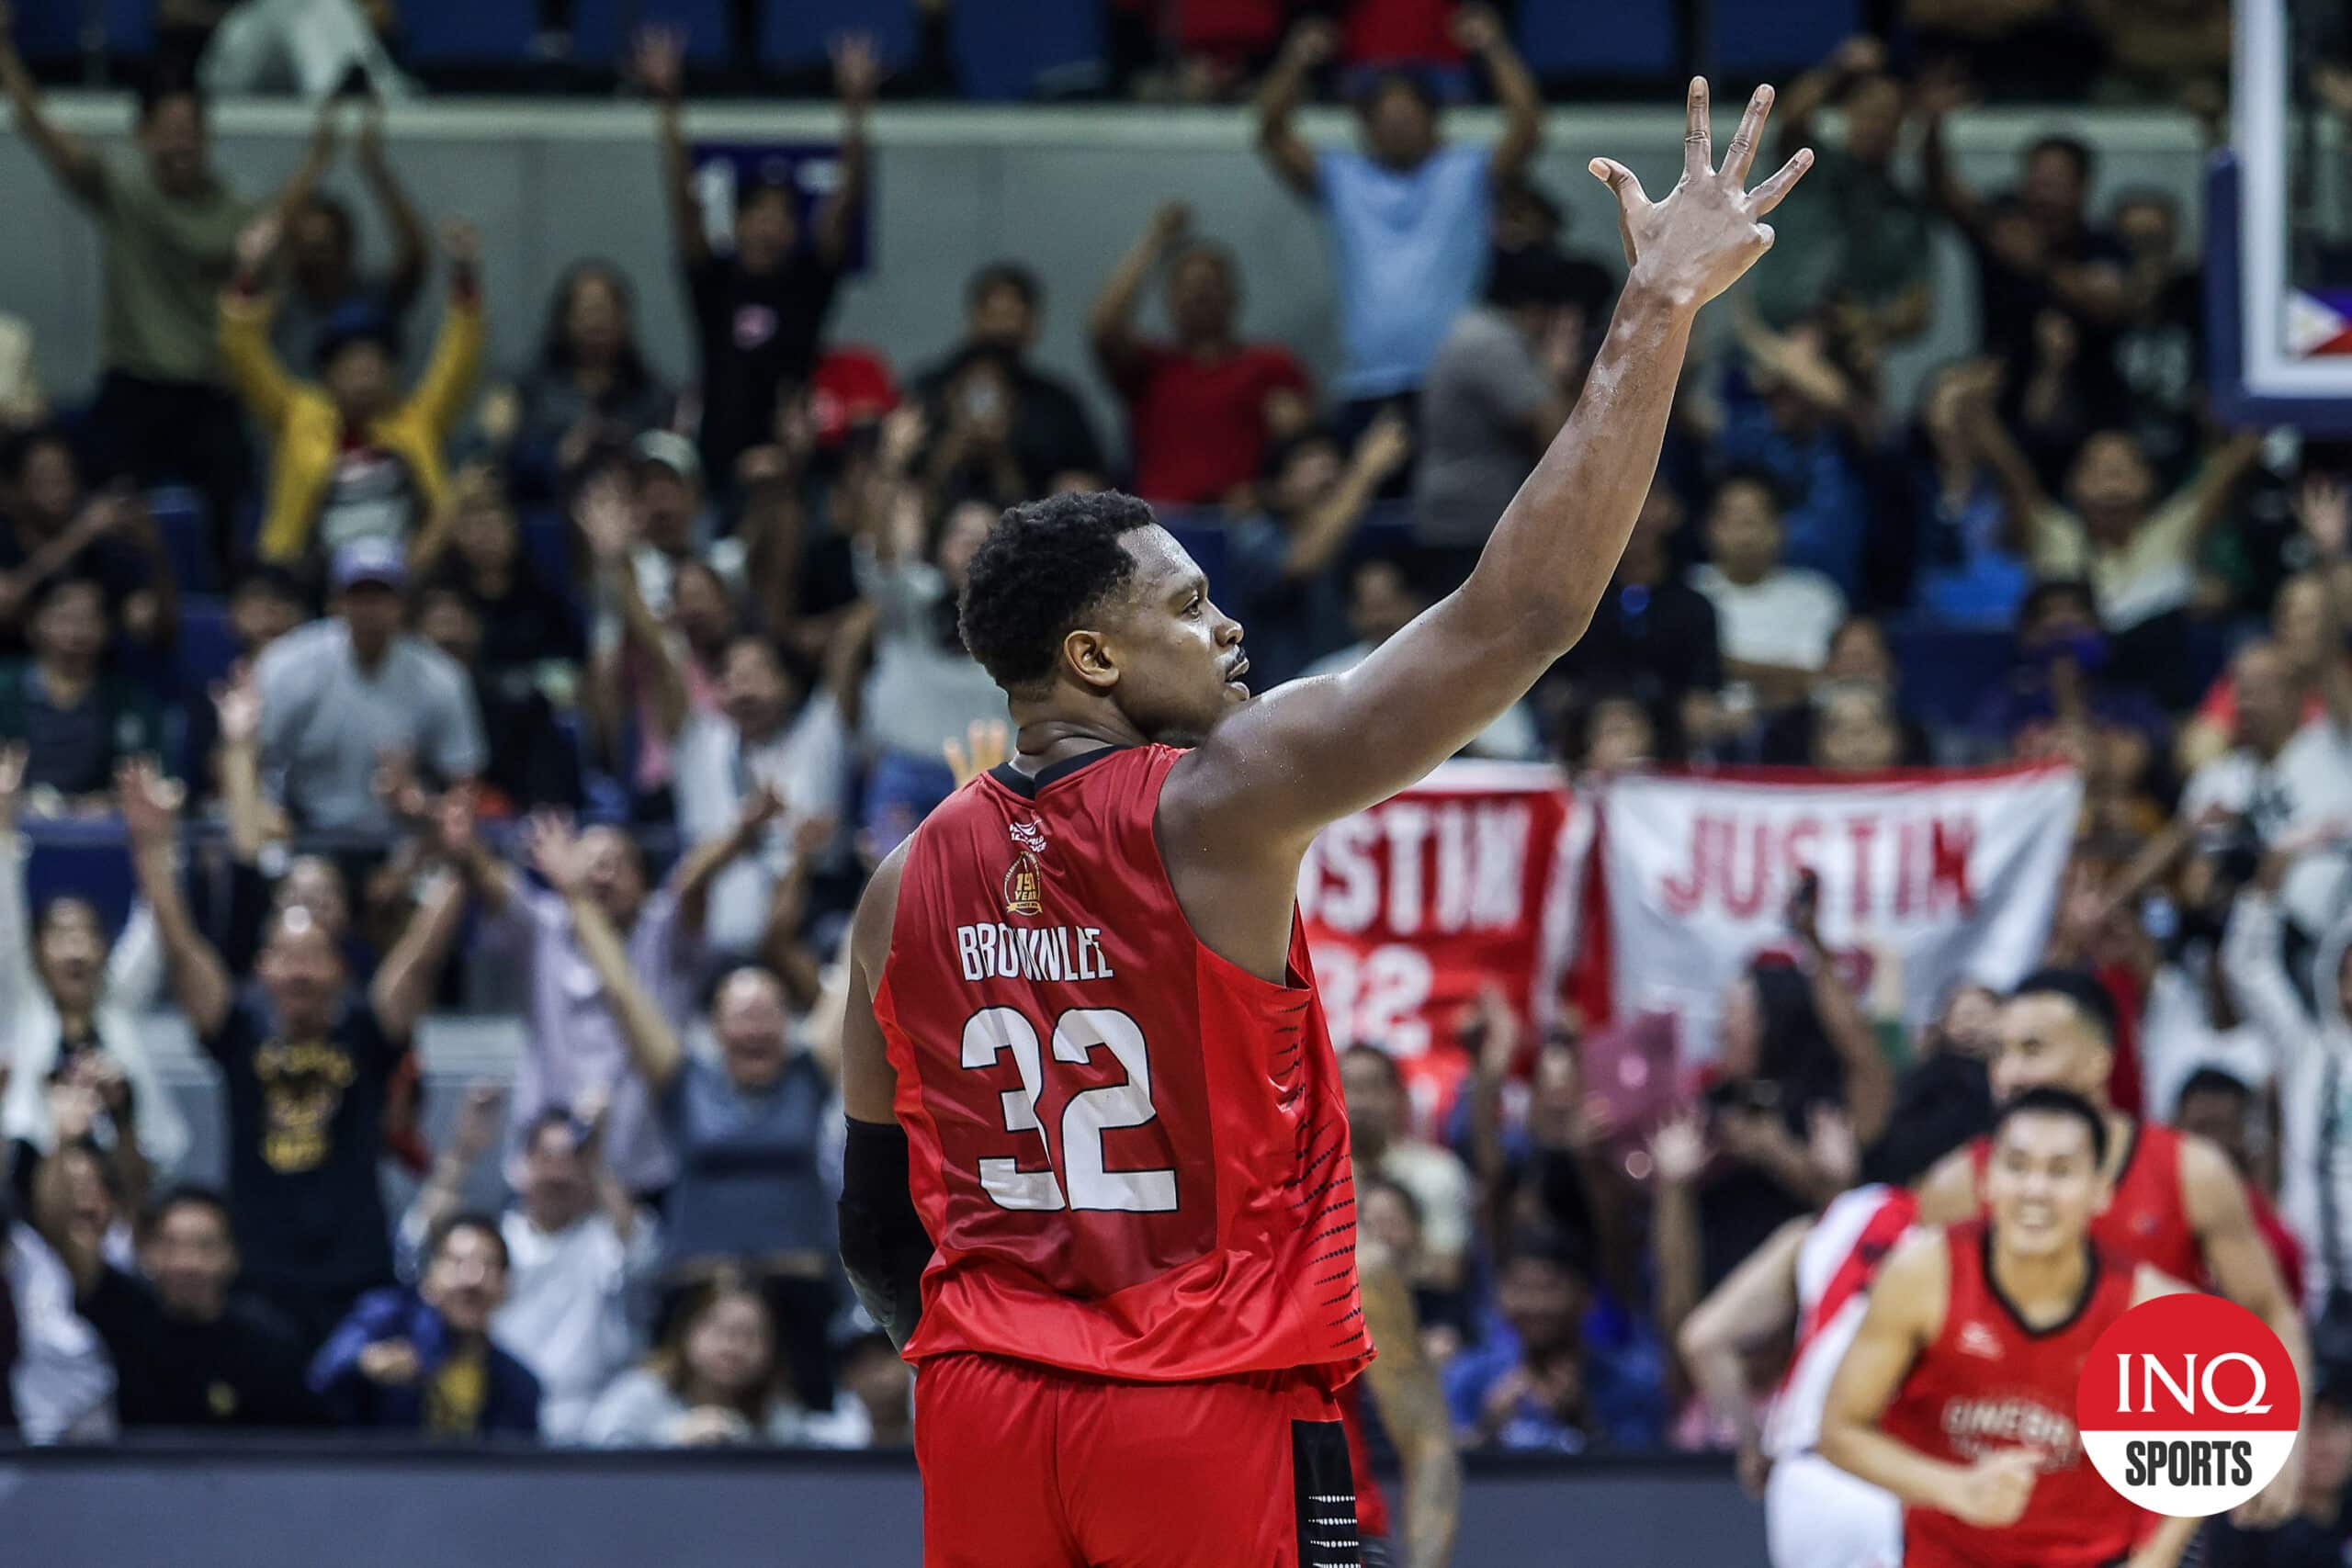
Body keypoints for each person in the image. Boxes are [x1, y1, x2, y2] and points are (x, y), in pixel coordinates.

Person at [834, 79, 1807, 1564]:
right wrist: (1655, 310)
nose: (1229, 629)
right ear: (1092, 658)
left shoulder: (901, 882)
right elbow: (1525, 612)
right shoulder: (1219, 798)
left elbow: (872, 1213)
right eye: (1187, 605)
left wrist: (994, 1355)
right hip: (1199, 1402)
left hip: (984, 1408)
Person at [1910, 970, 2312, 1522]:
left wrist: (2283, 1444)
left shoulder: (2190, 1171)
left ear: (2100, 1060)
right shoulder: (1956, 1186)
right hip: (2006, 1495)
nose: (2008, 1073)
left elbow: (2269, 1312)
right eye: (1998, 1053)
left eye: (2032, 1049)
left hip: (2152, 1495)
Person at [124, 759, 469, 1348]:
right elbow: (181, 949)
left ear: (340, 969)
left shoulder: (367, 1027)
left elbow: (425, 952)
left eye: (315, 957)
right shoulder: (238, 1027)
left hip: (356, 1274)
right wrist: (152, 849)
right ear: (264, 969)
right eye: (287, 956)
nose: (301, 971)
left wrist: (458, 856)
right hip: (259, 1275)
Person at [1818, 1088, 2201, 1568]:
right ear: (1986, 1181)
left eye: (2060, 1171)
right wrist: (1956, 1489)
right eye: (2017, 1166)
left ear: (2101, 1191)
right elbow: (1838, 1431)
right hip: (1950, 1555)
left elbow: (2212, 1444)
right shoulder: (1923, 1275)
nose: (2035, 1190)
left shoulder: (2152, 1307)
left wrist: (2156, 1558)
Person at [0, 11, 321, 548]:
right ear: (144, 135)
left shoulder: (237, 212)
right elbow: (44, 132)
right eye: (168, 133)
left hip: (207, 391)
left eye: (191, 134)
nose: (180, 147)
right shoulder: (122, 190)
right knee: (99, 503)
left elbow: (271, 283)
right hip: (135, 385)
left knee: (236, 505)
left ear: (208, 136)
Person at [552, 822, 842, 1410]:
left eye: (769, 1012)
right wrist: (575, 898)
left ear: (788, 1023)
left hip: (800, 1293)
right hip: (693, 1294)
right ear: (714, 1027)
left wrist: (919, 856)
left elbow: (865, 965)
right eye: (741, 1014)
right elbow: (623, 990)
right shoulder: (682, 1080)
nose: (756, 1025)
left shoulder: (812, 1071)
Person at [1253, 8, 1543, 437]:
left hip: (1453, 383)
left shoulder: (1465, 171)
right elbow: (1271, 131)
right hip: (1367, 385)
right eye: (1385, 120)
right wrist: (1297, 58)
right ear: (1365, 125)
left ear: (1432, 118)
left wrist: (1494, 48)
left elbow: (1527, 126)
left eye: (1408, 117)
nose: (1397, 128)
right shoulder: (1342, 177)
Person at [641, 27, 873, 492]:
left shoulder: (807, 282)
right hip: (715, 471)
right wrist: (668, 104)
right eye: (759, 215)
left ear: (794, 230)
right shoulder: (714, 281)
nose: (769, 227)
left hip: (794, 468)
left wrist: (856, 110)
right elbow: (683, 204)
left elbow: (846, 203)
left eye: (781, 217)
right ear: (738, 223)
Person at [223, 213, 486, 568]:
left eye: (374, 367)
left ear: (392, 373)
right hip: (310, 576)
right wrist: (249, 275)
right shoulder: (297, 414)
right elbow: (243, 355)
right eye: (352, 367)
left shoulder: (416, 419)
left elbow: (459, 362)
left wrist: (466, 278)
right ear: (328, 376)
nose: (364, 377)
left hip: (404, 576)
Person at [398, 1089, 657, 1442]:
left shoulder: (605, 1242)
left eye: (571, 1159)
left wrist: (598, 1157)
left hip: (587, 1424)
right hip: (498, 1412)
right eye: (546, 1157)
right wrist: (465, 1148)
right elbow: (419, 1245)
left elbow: (644, 1258)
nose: (557, 1174)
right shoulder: (495, 1242)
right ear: (521, 1166)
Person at [1680, 1183, 1918, 1568]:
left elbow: (1704, 1340)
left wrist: (1753, 1449)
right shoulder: (1973, 1238)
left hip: (1805, 1474)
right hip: (1897, 1471)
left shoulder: (1820, 1230)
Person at [0, 745, 189, 1179]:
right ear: (37, 949)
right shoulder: (20, 1002)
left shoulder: (120, 1000)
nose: (76, 950)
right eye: (62, 936)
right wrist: (3, 831)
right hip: (31, 1186)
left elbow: (157, 928)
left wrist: (161, 844)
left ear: (107, 947)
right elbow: (5, 922)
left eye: (88, 935)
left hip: (122, 1187)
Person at [254, 537, 487, 833]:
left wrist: (421, 805)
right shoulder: (289, 663)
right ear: (336, 601)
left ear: (402, 603)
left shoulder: (441, 676)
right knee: (308, 880)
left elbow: (463, 779)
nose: (370, 608)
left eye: (381, 594)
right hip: (307, 833)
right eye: (358, 595)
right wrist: (272, 817)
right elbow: (254, 758)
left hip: (406, 837)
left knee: (442, 879)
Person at [1089, 202, 1312, 506]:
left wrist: (1267, 493)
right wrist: (1156, 242)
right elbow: (1104, 327)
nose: (1200, 294)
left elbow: (1307, 455)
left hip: (1244, 524)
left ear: (1233, 295)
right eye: (1188, 287)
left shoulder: (1271, 364)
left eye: (1210, 284)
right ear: (1171, 299)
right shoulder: (1150, 365)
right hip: (1162, 523)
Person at [51, 1184, 322, 1428]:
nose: (187, 1262)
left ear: (232, 1256)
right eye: (171, 1245)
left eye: (205, 1246)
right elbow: (64, 1232)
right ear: (149, 1253)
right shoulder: (128, 1318)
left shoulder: (269, 1342)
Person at [1411, 248, 1587, 579]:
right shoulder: (1492, 343)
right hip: (1471, 527)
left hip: (1467, 516)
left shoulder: (1476, 329)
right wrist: (1556, 369)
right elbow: (1560, 437)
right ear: (1538, 309)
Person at [1225, 415, 1413, 691]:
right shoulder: (1256, 536)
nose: (1326, 466)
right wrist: (1364, 472)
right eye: (1306, 459)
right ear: (1275, 489)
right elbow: (1303, 562)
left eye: (1331, 457)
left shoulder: (1361, 535)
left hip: (1358, 688)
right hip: (1282, 696)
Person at [310, 1213, 539, 1438]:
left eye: (488, 1265)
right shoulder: (389, 1319)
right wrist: (366, 1363)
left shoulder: (518, 1385)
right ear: (431, 1277)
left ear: (505, 1287)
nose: (472, 1279)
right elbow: (324, 1372)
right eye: (457, 1263)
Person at [1443, 1227, 1668, 1452]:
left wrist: (1582, 1422)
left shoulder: (1633, 1385)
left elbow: (1641, 1473)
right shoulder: (1468, 1378)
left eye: (1550, 1287)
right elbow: (1443, 1466)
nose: (1535, 1304)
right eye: (1520, 1288)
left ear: (1587, 1298)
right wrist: (1487, 1430)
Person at [913, 264, 1106, 503]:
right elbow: (910, 481)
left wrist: (1002, 455)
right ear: (974, 317)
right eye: (995, 317)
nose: (1004, 329)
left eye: (1014, 318)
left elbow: (1092, 481)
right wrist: (954, 444)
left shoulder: (1058, 406)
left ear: (1032, 325)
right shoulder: (930, 391)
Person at [266, 105, 428, 378]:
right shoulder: (281, 300)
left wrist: (376, 169)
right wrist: (316, 161)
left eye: (323, 245)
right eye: (305, 244)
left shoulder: (369, 300)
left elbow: (415, 256)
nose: (315, 257)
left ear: (344, 247)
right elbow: (263, 242)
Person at [505, 263, 674, 504]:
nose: (596, 322)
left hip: (632, 512)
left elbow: (668, 466)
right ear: (564, 320)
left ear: (624, 320)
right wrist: (559, 456)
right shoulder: (531, 389)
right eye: (586, 311)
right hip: (548, 515)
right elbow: (506, 464)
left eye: (605, 311)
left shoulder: (652, 393)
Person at [0, 429, 171, 660]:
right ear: (12, 491)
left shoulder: (105, 547)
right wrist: (78, 536)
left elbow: (155, 627)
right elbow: (6, 600)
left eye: (65, 474)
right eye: (44, 477)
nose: (60, 488)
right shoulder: (8, 540)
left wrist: (154, 548)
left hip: (99, 683)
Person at [0, 574, 167, 807]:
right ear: (34, 622)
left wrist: (109, 801)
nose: (75, 631)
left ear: (107, 629)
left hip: (98, 829)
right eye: (64, 617)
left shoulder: (130, 700)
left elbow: (155, 780)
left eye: (88, 618)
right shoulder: (5, 686)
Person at [1691, 470, 1849, 715]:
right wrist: (1781, 674)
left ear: (1780, 527)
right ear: (1709, 528)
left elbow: (1822, 675)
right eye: (1734, 520)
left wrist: (1727, 665)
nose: (1746, 534)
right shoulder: (1691, 589)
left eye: (1755, 519)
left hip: (1800, 725)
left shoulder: (1817, 595)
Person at [582, 1272, 799, 1447]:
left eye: (750, 1334)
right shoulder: (641, 1392)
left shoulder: (776, 1414)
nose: (733, 1346)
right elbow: (596, 1456)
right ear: (686, 1331)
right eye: (719, 1329)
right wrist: (671, 1439)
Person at [1339, 1046, 1473, 1292]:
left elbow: (1448, 1271)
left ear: (1399, 1097)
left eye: (1373, 1087)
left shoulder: (1438, 1172)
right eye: (1346, 1087)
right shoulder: (1311, 1183)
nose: (1358, 1102)